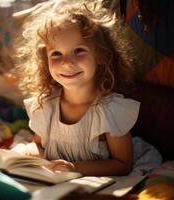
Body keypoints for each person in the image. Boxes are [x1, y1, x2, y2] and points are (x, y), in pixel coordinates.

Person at [12, 0, 140, 176]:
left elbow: (123, 164)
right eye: (56, 54)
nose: (66, 63)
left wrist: (74, 168)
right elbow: (39, 145)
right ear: (45, 61)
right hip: (59, 183)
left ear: (101, 55)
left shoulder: (109, 110)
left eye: (79, 50)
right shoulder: (46, 105)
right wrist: (30, 157)